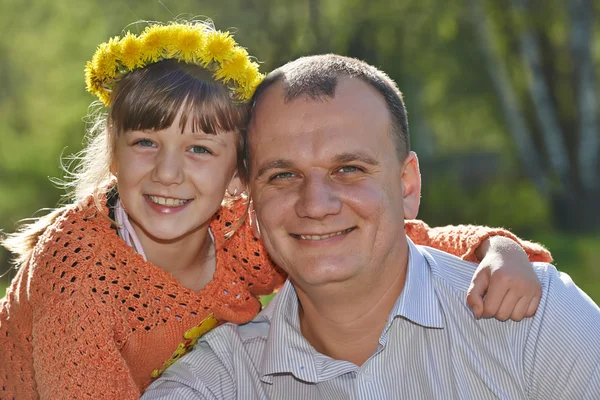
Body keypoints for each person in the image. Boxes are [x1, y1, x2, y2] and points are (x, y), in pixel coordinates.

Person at [0, 22, 550, 400]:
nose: (168, 173)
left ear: (238, 176)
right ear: (113, 154)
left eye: (199, 149)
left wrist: (496, 248)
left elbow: (387, 231)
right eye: (145, 143)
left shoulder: (246, 231)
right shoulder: (79, 275)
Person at [143, 54, 600, 400]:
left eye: (349, 169)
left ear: (406, 185)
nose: (316, 205)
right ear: (251, 204)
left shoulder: (533, 320)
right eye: (283, 175)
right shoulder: (215, 383)